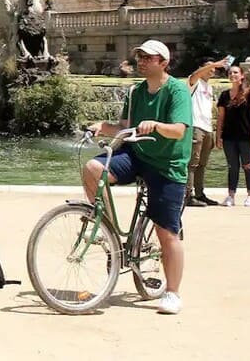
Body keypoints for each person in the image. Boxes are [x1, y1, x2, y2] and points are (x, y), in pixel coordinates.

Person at [84, 39, 191, 315]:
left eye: (147, 57)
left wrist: (156, 125)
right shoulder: (135, 92)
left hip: (167, 165)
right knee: (93, 169)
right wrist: (102, 127)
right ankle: (108, 231)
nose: (141, 61)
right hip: (138, 156)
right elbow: (124, 127)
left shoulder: (177, 91)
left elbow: (179, 130)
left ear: (163, 63)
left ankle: (172, 292)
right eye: (139, 56)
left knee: (166, 233)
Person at [216, 65, 250, 207]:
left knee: (248, 165)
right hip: (229, 137)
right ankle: (231, 196)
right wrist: (218, 136)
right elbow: (221, 118)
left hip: (246, 136)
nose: (232, 75)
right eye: (230, 73)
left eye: (235, 72)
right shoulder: (224, 95)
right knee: (232, 167)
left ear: (242, 75)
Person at [185, 58, 225, 206]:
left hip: (207, 128)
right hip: (195, 127)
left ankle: (200, 194)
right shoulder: (193, 81)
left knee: (202, 164)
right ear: (201, 68)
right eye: (209, 67)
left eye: (214, 68)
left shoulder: (209, 87)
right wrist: (216, 63)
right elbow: (195, 74)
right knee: (192, 163)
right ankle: (187, 196)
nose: (213, 70)